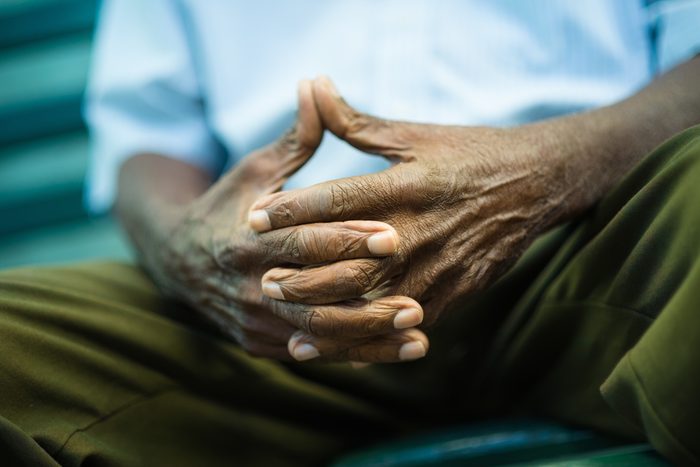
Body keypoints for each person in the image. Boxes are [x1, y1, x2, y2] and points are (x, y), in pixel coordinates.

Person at [2, 0, 700, 465]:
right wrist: (188, 246)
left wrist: (547, 173)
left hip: (594, 242)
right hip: (268, 308)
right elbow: (147, 140)